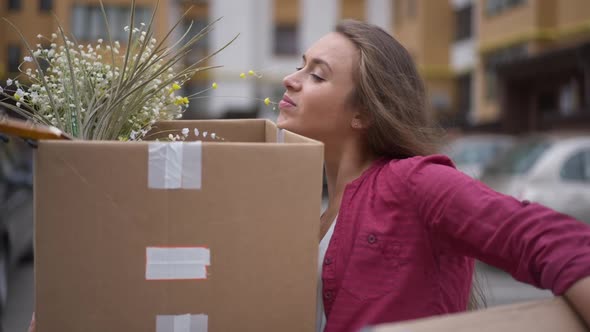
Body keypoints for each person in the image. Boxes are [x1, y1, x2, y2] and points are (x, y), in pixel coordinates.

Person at [276, 19, 590, 332]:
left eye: (317, 75)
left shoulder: (411, 181)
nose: (290, 80)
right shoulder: (324, 212)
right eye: (300, 66)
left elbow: (548, 239)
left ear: (365, 113)